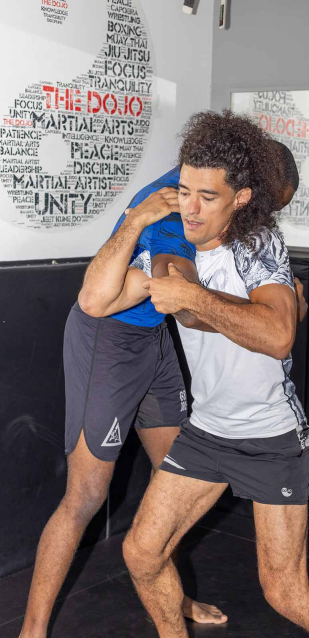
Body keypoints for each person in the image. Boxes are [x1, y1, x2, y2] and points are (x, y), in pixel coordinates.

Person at [120, 110, 309, 638]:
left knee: (285, 591)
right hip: (207, 432)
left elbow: (278, 335)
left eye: (207, 197)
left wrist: (197, 298)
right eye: (184, 190)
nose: (190, 207)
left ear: (241, 198)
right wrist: (184, 290)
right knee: (142, 553)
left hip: (269, 437)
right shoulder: (176, 241)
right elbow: (179, 306)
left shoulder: (258, 248)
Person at [19, 175, 228, 638]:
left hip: (153, 338)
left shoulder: (217, 200)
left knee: (174, 482)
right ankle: (30, 631)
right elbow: (185, 308)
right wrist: (268, 319)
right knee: (86, 497)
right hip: (108, 343)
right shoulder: (174, 209)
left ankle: (171, 593)